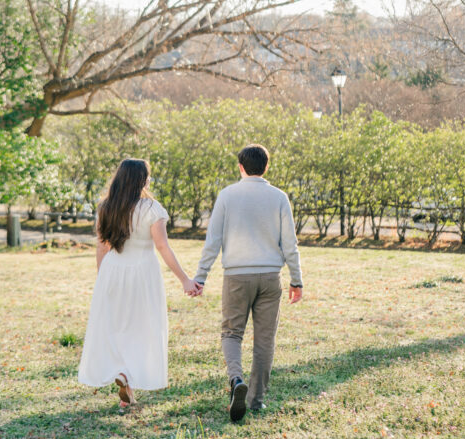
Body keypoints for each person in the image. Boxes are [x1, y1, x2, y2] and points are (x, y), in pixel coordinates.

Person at [191, 144, 303, 422]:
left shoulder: (227, 195)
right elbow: (290, 243)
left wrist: (201, 276)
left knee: (231, 333)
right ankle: (256, 400)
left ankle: (236, 379)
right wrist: (296, 280)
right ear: (266, 167)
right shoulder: (279, 197)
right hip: (270, 278)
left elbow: (213, 240)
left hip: (237, 276)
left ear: (240, 167)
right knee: (265, 340)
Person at [78, 157, 200, 409]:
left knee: (117, 327)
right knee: (142, 327)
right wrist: (185, 279)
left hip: (112, 271)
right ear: (142, 180)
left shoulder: (106, 207)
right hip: (143, 273)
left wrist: (102, 279)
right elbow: (162, 246)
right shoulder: (151, 209)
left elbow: (102, 247)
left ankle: (125, 379)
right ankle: (127, 376)